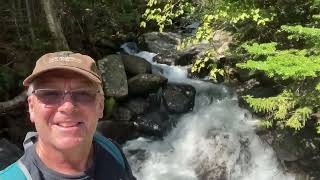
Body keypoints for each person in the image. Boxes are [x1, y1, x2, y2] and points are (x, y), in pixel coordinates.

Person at [0, 51, 136, 180]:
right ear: (31, 107)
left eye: (83, 93)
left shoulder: (112, 152)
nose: (68, 107)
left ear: (100, 106)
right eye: (50, 94)